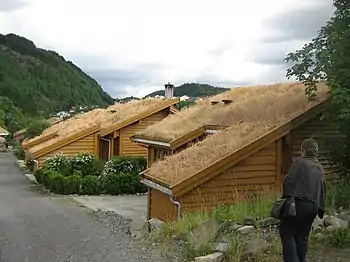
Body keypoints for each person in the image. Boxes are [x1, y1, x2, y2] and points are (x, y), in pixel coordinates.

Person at [279, 138, 326, 262]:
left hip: (298, 204)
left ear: (304, 151)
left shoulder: (300, 163)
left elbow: (288, 182)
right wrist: (321, 210)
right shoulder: (320, 168)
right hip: (313, 207)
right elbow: (322, 189)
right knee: (302, 236)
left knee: (287, 232)